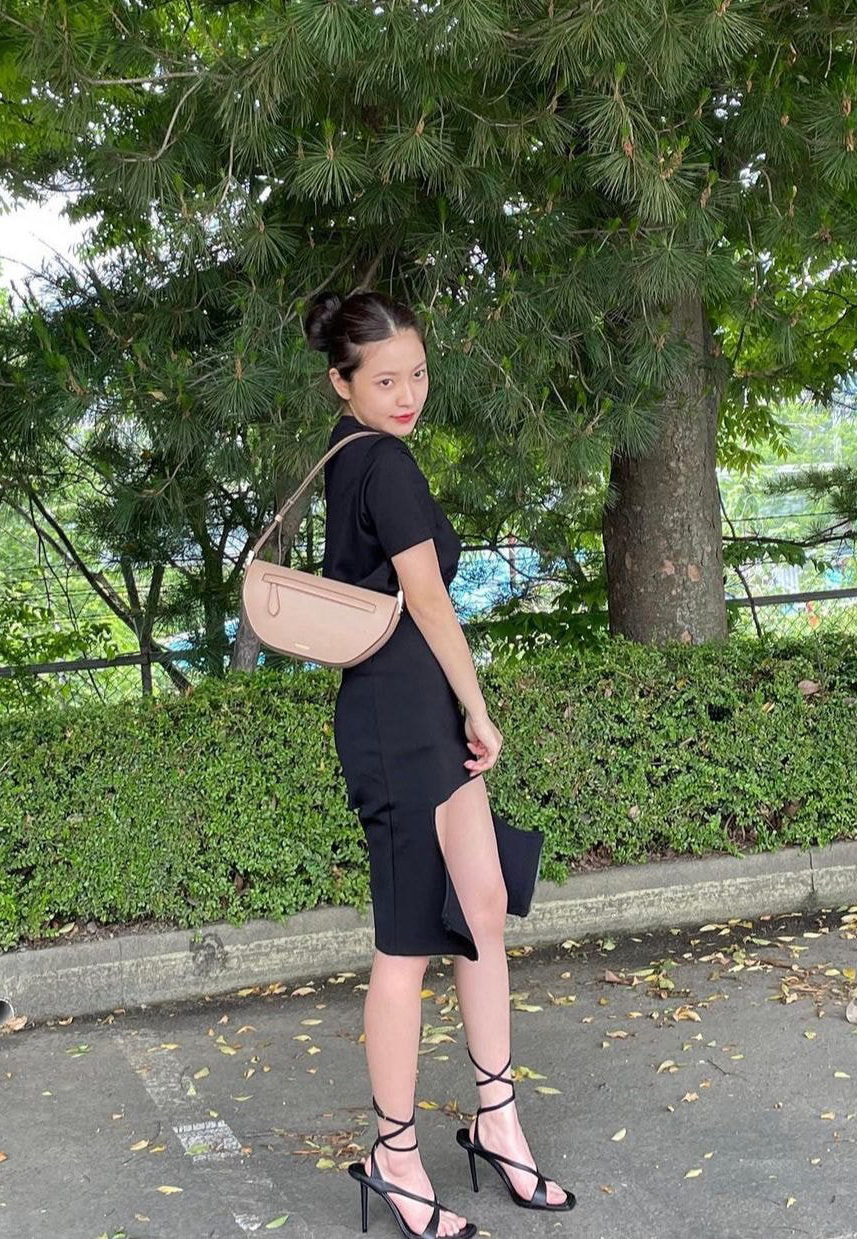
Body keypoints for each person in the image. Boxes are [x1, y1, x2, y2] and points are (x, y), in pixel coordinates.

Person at [306, 289, 575, 1237]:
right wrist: (478, 704)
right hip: (401, 720)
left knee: (482, 906)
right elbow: (426, 599)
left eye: (416, 373)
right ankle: (393, 1153)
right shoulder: (378, 460)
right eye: (385, 380)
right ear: (341, 384)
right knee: (407, 942)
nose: (407, 393)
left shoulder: (360, 454)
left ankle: (497, 1119)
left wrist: (455, 706)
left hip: (417, 709)